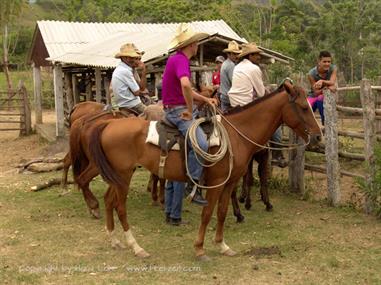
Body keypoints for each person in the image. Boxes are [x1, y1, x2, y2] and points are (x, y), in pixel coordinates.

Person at [161, 23, 218, 225]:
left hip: (171, 108)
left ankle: (171, 214)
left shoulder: (175, 59)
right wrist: (189, 107)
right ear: (192, 45)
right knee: (202, 144)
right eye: (197, 43)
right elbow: (185, 85)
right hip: (177, 111)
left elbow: (184, 88)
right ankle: (192, 185)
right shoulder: (182, 60)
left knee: (177, 163)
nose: (198, 46)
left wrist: (204, 100)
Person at [228, 42, 286, 167]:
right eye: (256, 54)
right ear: (250, 56)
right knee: (274, 122)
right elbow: (260, 93)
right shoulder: (254, 68)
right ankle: (277, 154)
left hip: (234, 103)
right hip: (246, 104)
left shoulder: (237, 67)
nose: (259, 56)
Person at [111, 43, 147, 115]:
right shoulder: (125, 71)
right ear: (124, 58)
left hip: (125, 103)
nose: (137, 61)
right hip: (133, 104)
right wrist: (143, 71)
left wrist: (142, 71)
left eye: (137, 58)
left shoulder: (129, 69)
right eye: (133, 58)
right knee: (156, 115)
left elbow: (141, 88)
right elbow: (138, 92)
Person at [307, 50, 337, 126]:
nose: (327, 64)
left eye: (329, 62)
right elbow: (316, 92)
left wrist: (322, 81)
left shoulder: (333, 69)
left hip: (326, 96)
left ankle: (325, 124)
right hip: (314, 95)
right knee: (306, 106)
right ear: (319, 61)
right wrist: (327, 87)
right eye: (324, 62)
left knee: (321, 99)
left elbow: (332, 82)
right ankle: (308, 127)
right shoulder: (311, 74)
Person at [219, 41, 241, 111]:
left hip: (224, 95)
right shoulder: (230, 65)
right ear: (229, 54)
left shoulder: (225, 63)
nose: (236, 56)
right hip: (228, 97)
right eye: (234, 54)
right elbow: (234, 82)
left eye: (237, 54)